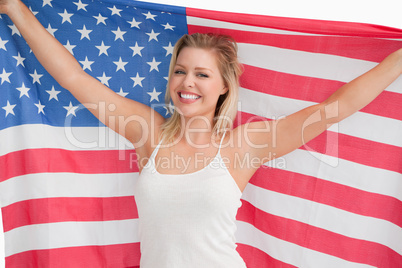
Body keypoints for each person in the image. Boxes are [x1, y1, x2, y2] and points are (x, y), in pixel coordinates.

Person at [1, 0, 401, 267]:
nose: (187, 82)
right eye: (180, 70)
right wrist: (16, 9)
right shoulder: (149, 134)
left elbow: (335, 109)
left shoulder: (245, 145)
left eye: (201, 74)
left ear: (224, 85)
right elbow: (74, 79)